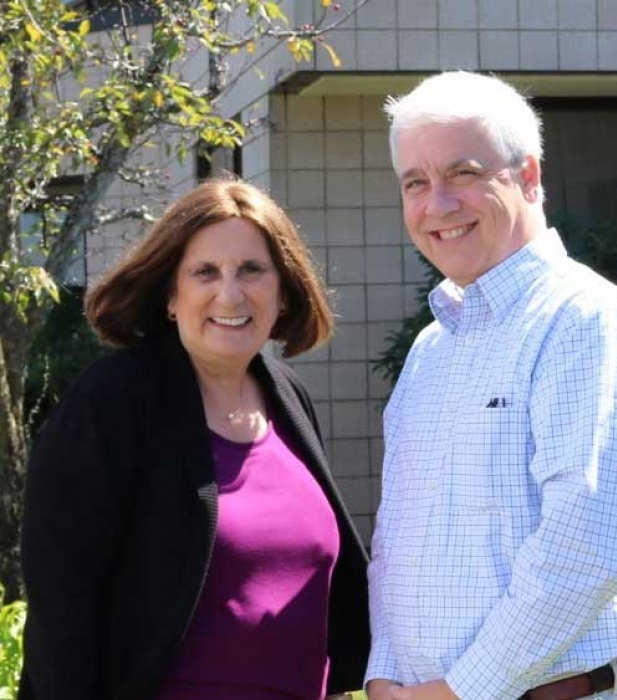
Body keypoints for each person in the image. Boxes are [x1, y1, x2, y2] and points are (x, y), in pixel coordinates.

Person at [365, 72, 617, 700]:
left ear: (529, 176)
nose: (437, 205)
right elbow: (399, 539)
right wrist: (384, 673)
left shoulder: (585, 322)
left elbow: (583, 551)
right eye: (416, 183)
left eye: (464, 173)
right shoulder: (433, 348)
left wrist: (457, 693)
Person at [20, 177, 370, 700]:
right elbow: (63, 611)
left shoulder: (287, 399)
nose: (230, 293)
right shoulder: (112, 404)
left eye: (252, 270)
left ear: (283, 289)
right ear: (169, 294)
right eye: (205, 271)